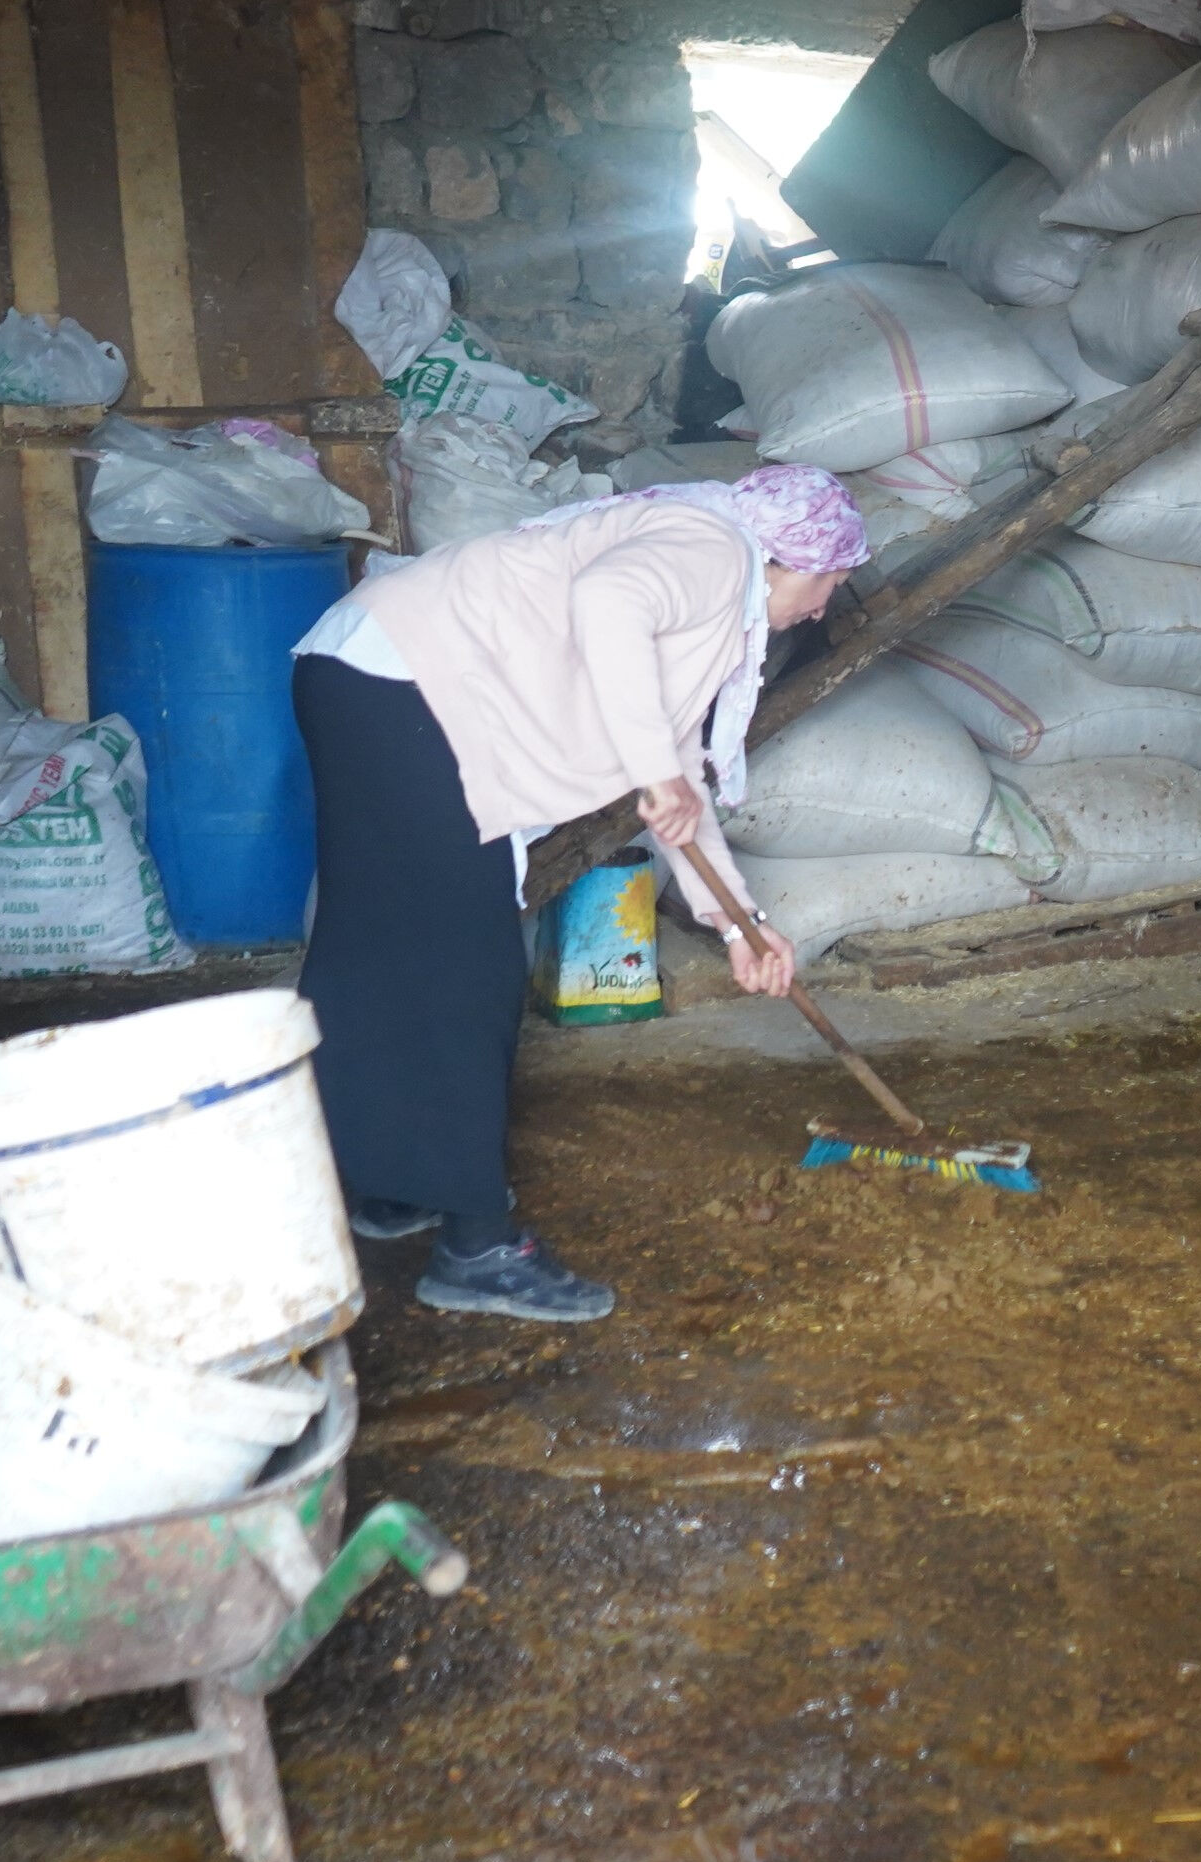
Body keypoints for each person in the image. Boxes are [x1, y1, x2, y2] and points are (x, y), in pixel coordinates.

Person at [289, 463, 865, 1321]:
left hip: (370, 674)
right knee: (466, 964)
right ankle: (477, 1246)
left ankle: (384, 1178)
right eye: (828, 586)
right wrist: (648, 771)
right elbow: (609, 604)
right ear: (789, 558)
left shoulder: (709, 589)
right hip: (409, 687)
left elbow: (680, 773)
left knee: (380, 942)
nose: (821, 610)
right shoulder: (713, 549)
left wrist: (739, 925)